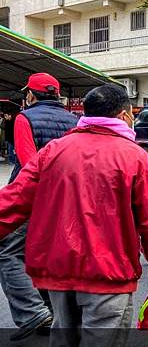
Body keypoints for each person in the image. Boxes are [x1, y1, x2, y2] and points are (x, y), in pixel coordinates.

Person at [0, 84, 148, 342]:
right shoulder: (135, 157)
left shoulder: (53, 151)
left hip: (58, 272)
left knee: (63, 338)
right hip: (109, 275)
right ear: (125, 115)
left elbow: (12, 201)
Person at [0, 73, 78, 341]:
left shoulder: (25, 118)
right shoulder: (74, 120)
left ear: (31, 95)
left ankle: (33, 312)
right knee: (43, 253)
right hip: (63, 198)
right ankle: (50, 313)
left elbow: (28, 162)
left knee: (8, 252)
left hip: (32, 197)